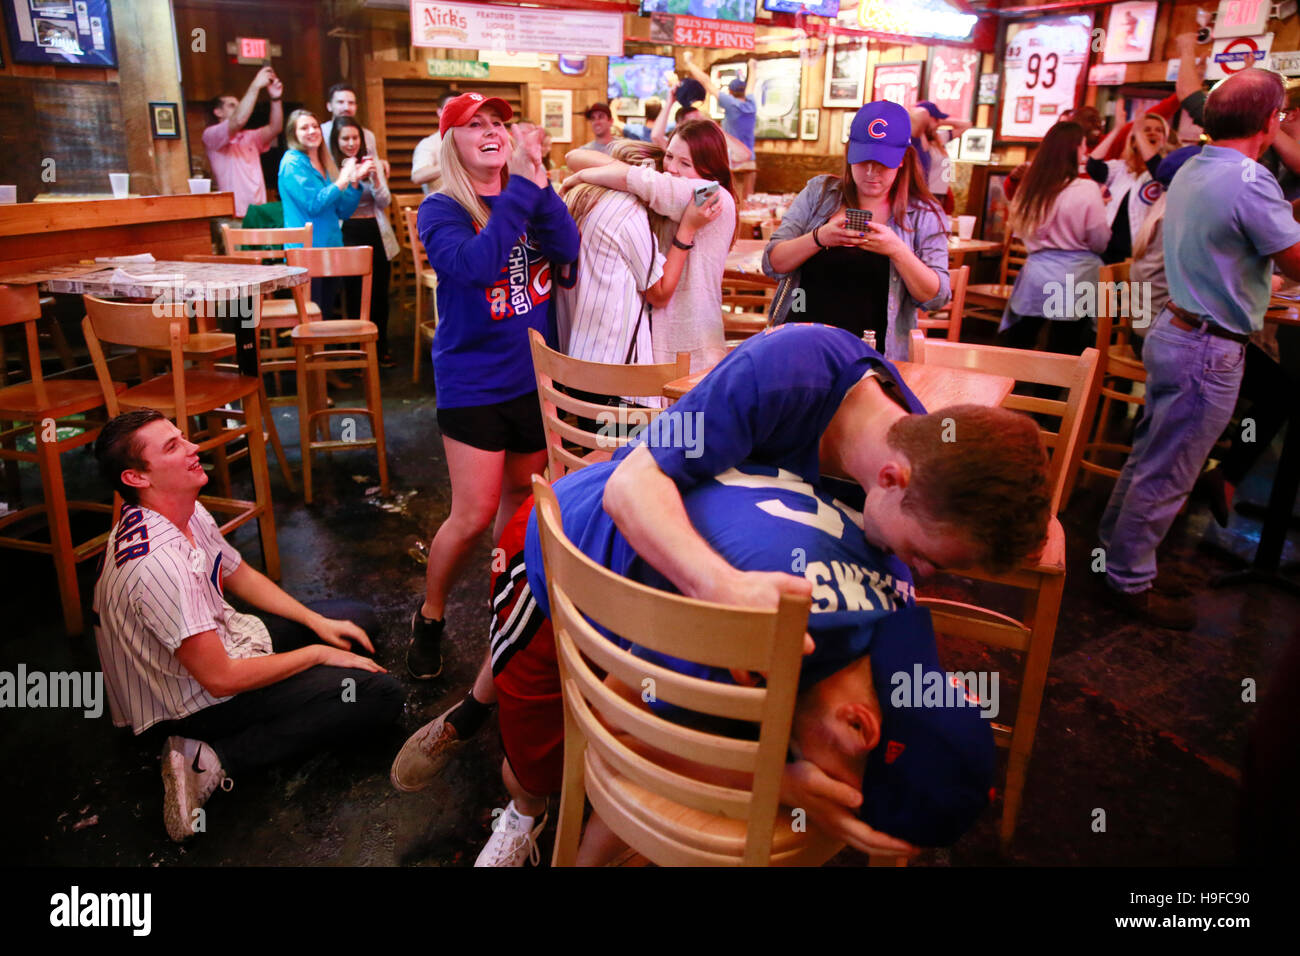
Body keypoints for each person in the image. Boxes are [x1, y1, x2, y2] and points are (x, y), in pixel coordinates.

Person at [391, 324, 1052, 804]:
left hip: (658, 586)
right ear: (891, 477)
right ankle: (477, 720)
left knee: (626, 703)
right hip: (592, 532)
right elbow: (631, 486)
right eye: (921, 555)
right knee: (527, 695)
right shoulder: (795, 367)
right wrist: (723, 585)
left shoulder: (916, 461)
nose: (920, 572)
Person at [462, 463, 996, 866]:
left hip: (680, 532)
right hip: (560, 542)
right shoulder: (735, 635)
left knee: (721, 736)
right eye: (834, 788)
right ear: (857, 723)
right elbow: (609, 737)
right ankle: (522, 809)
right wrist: (776, 783)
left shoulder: (896, 595)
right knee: (537, 763)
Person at [91, 410, 402, 842]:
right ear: (137, 477)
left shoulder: (179, 509)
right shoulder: (157, 564)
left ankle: (299, 675)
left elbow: (237, 572)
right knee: (378, 695)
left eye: (182, 438)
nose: (193, 447)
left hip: (219, 646)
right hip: (187, 703)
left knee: (354, 621)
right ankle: (212, 756)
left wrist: (317, 623)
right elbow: (219, 680)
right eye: (173, 447)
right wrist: (318, 653)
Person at [1099, 68, 1300, 630]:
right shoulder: (1251, 180)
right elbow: (1295, 261)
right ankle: (1129, 582)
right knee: (1168, 470)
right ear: (1269, 121)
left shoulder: (1194, 165)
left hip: (1174, 329)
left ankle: (1111, 551)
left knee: (1149, 456)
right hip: (1207, 347)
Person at [408, 92, 579, 680]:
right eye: (473, 123)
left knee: (518, 514)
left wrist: (538, 184)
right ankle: (430, 615)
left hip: (532, 380)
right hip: (473, 382)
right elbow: (479, 266)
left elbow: (567, 248)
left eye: (498, 122)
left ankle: (501, 610)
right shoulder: (440, 208)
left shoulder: (525, 194)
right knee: (475, 513)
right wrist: (522, 194)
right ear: (450, 140)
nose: (490, 130)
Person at [762, 100, 951, 359]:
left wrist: (897, 250)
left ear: (903, 160)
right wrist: (818, 238)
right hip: (798, 345)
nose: (872, 172)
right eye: (863, 161)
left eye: (883, 163)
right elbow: (773, 263)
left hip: (873, 356)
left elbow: (936, 298)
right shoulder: (820, 193)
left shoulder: (924, 215)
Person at [565, 118, 734, 370]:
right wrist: (622, 171)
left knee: (689, 412)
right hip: (663, 337)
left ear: (711, 169)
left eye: (685, 163)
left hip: (692, 341)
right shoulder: (674, 190)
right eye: (669, 156)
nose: (672, 169)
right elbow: (572, 156)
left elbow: (584, 163)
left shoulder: (711, 195)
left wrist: (582, 176)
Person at [998, 121, 1109, 356]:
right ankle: (1048, 392)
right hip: (1077, 277)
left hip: (1036, 273)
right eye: (1082, 146)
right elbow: (1100, 241)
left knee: (1020, 344)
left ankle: (1009, 388)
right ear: (1075, 151)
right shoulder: (1087, 189)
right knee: (1064, 349)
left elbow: (1019, 227)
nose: (1085, 152)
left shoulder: (1031, 187)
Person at [278, 108, 373, 318]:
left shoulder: (322, 162)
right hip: (307, 252)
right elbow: (314, 204)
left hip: (330, 248)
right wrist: (343, 180)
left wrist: (354, 180)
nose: (312, 131)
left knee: (327, 313)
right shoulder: (292, 162)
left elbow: (343, 211)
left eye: (315, 126)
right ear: (293, 134)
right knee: (313, 316)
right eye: (304, 128)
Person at [331, 115, 400, 367]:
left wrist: (376, 179)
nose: (351, 143)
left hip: (376, 229)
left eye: (354, 138)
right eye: (345, 138)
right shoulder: (331, 165)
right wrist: (354, 178)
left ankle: (381, 348)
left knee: (380, 294)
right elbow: (337, 206)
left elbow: (385, 201)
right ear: (336, 141)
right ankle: (355, 353)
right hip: (347, 231)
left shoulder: (371, 161)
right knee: (353, 294)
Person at [1086, 113, 1172, 264]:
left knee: (1138, 288)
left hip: (1144, 252)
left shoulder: (1167, 169)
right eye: (1146, 129)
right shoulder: (1120, 168)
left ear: (1164, 139)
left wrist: (1139, 133)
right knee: (1103, 288)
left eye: (1159, 130)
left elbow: (1158, 170)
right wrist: (1118, 129)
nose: (1152, 133)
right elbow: (1093, 165)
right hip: (1108, 251)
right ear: (1133, 141)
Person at [201, 65, 284, 218]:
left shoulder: (249, 136)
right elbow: (238, 119)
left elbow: (276, 127)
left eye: (239, 105)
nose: (238, 108)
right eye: (231, 105)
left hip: (259, 214)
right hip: (234, 216)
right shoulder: (211, 134)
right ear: (217, 112)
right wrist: (255, 86)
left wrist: (275, 98)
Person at [321, 82, 389, 179]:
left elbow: (374, 167)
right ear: (329, 106)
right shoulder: (321, 133)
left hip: (366, 190)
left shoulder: (368, 135)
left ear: (356, 107)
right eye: (340, 102)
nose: (346, 108)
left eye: (351, 103)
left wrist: (378, 165)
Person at [411, 92, 458, 195]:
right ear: (440, 112)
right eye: (450, 108)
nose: (456, 113)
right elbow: (417, 176)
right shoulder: (428, 144)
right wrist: (452, 164)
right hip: (443, 206)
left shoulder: (473, 141)